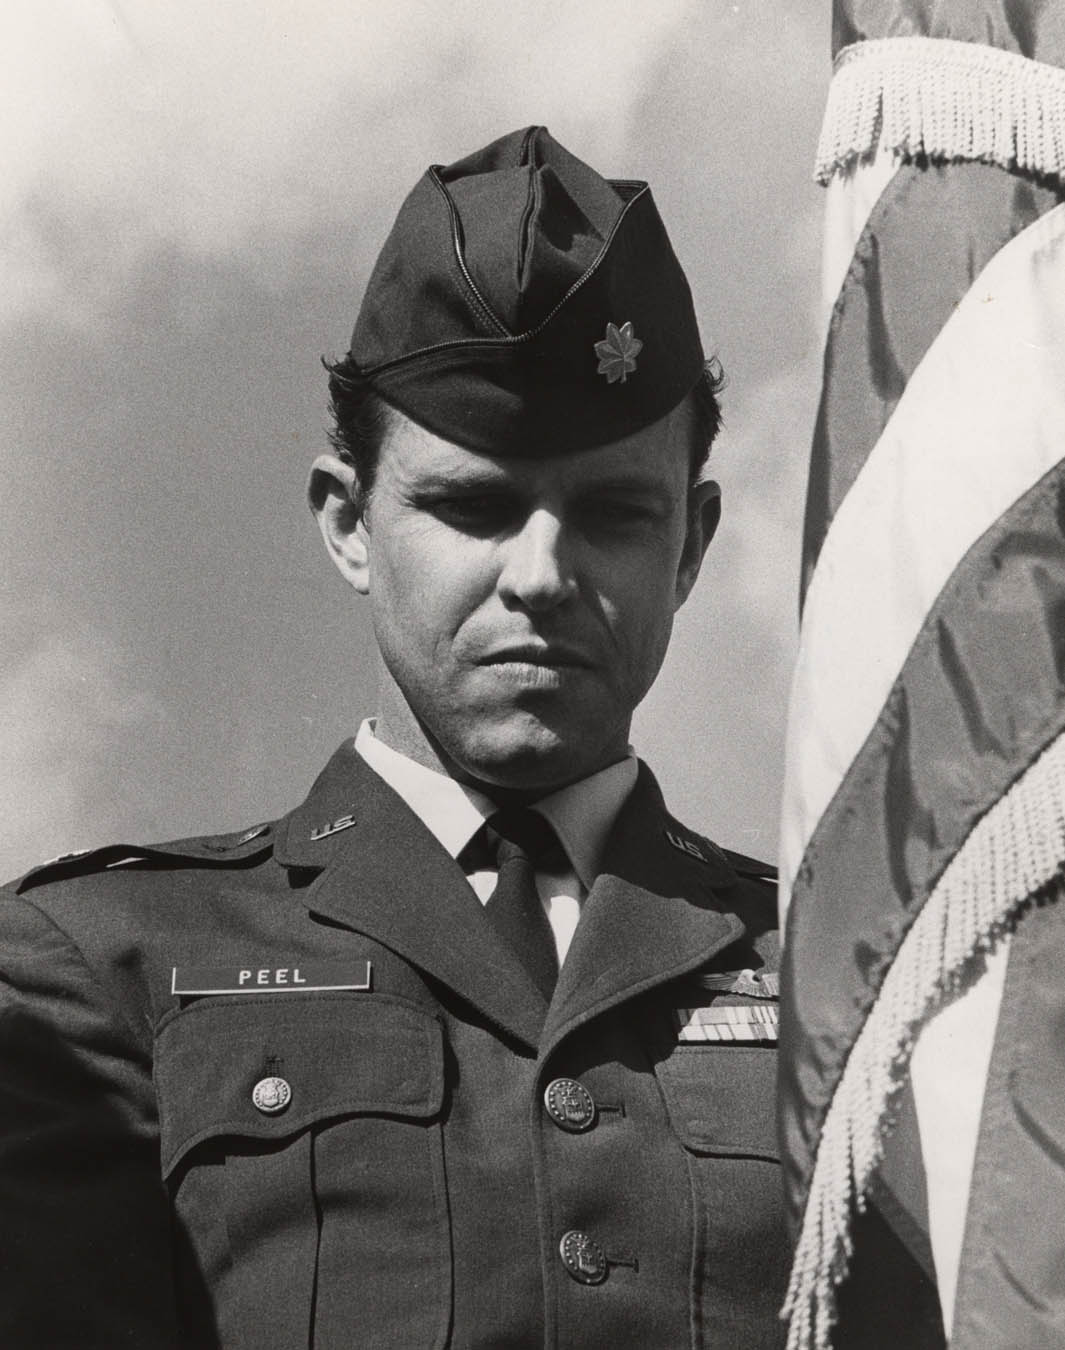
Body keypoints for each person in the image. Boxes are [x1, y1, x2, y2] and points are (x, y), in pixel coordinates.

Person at [0, 126, 786, 1349]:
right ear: (350, 522)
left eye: (614, 513)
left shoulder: (852, 971)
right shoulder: (93, 968)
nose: (542, 574)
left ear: (690, 544)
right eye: (472, 506)